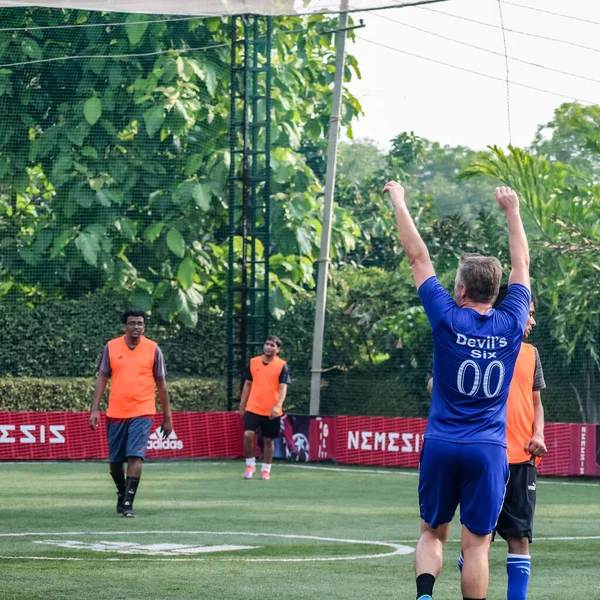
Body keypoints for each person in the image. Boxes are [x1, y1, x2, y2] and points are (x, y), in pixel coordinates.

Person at [383, 181, 531, 600]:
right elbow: (521, 261)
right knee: (477, 545)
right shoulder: (512, 321)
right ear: (495, 290)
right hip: (487, 449)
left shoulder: (446, 317)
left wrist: (399, 200)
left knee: (432, 532)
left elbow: (417, 256)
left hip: (442, 443)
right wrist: (511, 211)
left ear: (462, 290)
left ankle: (426, 597)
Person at [428, 285, 546, 599]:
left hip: (520, 457)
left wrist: (539, 434)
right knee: (478, 541)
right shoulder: (473, 344)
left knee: (519, 536)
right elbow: (435, 381)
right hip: (489, 453)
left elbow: (536, 402)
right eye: (529, 314)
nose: (531, 321)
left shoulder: (531, 354)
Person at [89, 309, 172, 518]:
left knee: (135, 456)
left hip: (143, 411)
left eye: (140, 323)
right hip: (116, 411)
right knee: (115, 461)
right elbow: (102, 379)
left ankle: (127, 503)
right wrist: (95, 409)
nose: (137, 327)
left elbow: (161, 385)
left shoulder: (153, 349)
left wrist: (167, 417)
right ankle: (121, 490)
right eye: (133, 323)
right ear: (123, 326)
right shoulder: (111, 347)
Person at [238, 335, 291, 481]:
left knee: (268, 440)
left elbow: (282, 388)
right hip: (253, 407)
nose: (268, 347)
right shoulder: (253, 362)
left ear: (278, 349)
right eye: (267, 344)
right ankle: (250, 465)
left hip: (271, 410)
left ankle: (266, 469)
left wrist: (278, 405)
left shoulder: (282, 365)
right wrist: (242, 405)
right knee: (248, 435)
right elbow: (247, 384)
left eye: (272, 345)